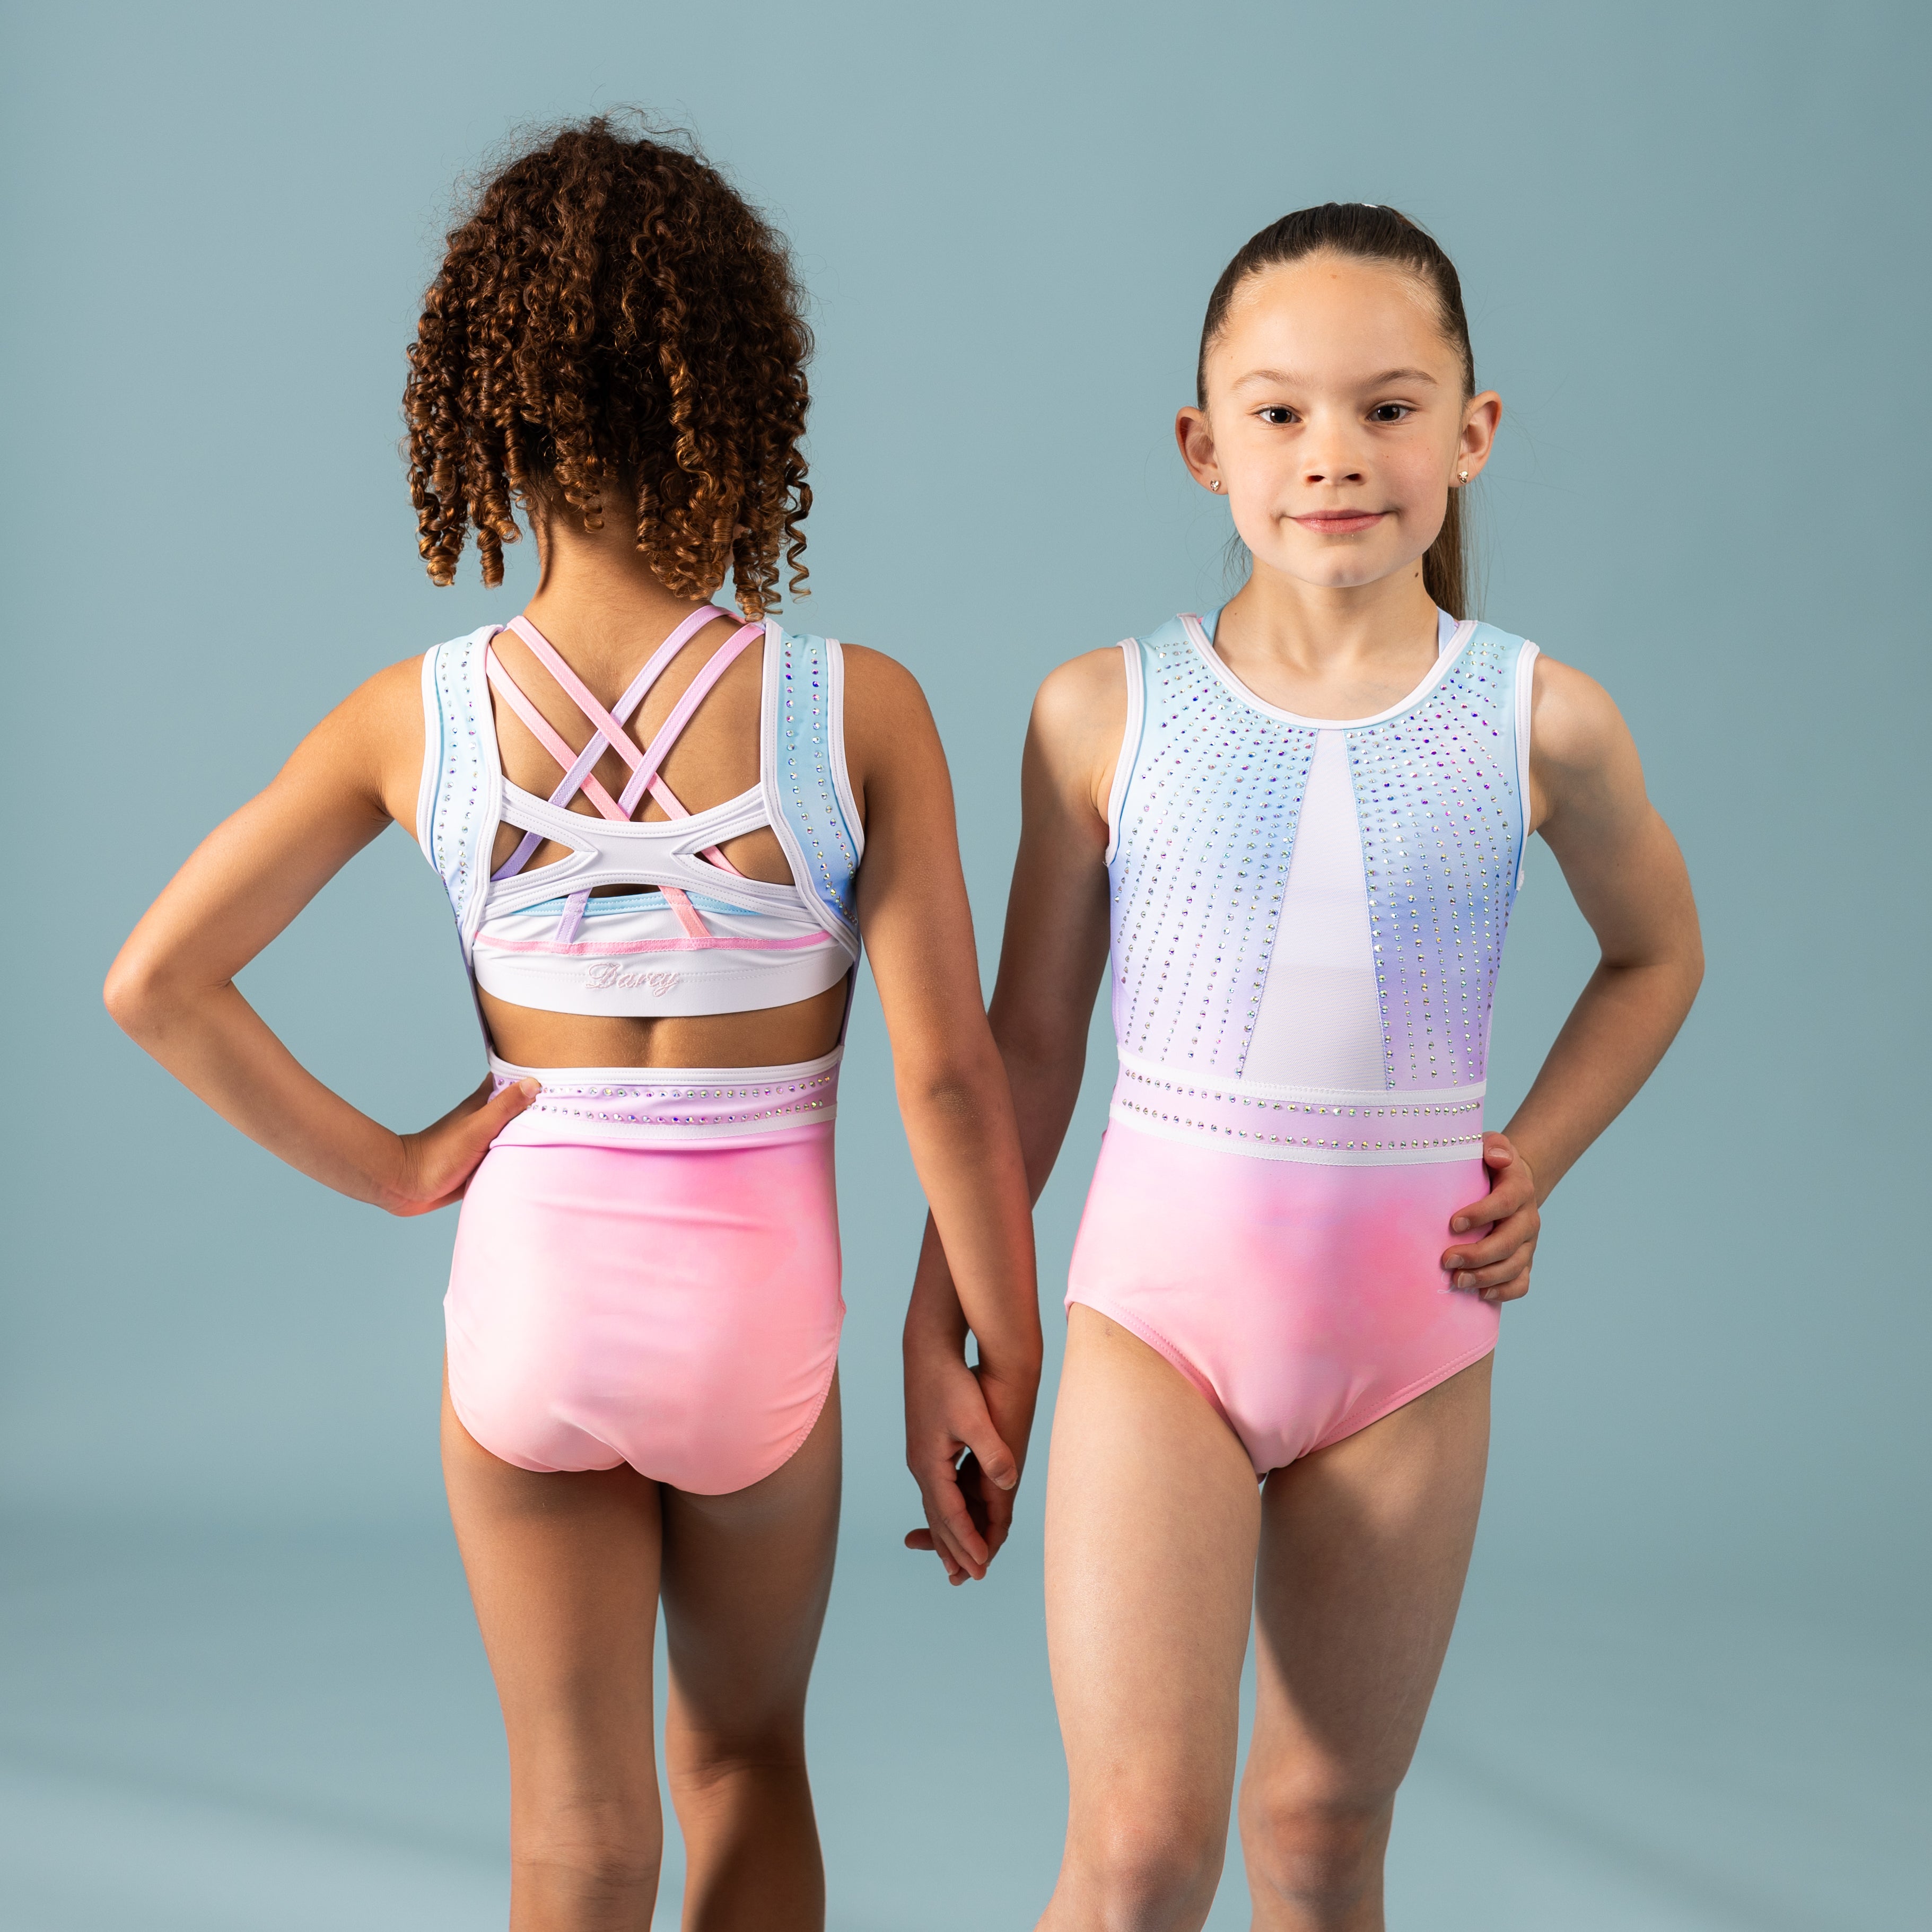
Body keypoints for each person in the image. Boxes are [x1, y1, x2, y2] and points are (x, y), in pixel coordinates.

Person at [105, 116, 1039, 1932]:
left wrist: (400, 1169)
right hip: (754, 1315)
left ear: (494, 413)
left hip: (531, 1297)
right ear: (741, 400)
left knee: (578, 1833)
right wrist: (993, 1357)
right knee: (744, 1762)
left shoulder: (416, 719)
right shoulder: (855, 712)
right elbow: (944, 1074)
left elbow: (158, 981)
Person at [907, 203, 1704, 1930]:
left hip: (1407, 1338)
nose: (1332, 453)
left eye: (1387, 407)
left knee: (1325, 1830)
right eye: (1276, 412)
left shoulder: (1540, 719)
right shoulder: (1101, 711)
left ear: (1470, 434)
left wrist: (1534, 1155)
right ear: (1203, 446)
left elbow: (1658, 954)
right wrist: (941, 1322)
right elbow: (1024, 1049)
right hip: (1159, 1329)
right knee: (1136, 1856)